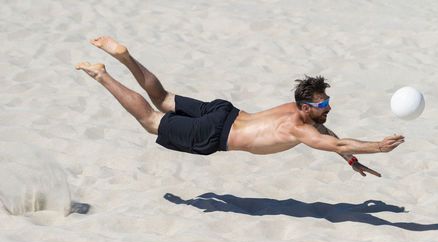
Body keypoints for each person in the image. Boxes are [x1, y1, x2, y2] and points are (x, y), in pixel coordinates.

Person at [76, 37, 405, 177]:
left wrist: (351, 160)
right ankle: (102, 75)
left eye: (328, 102)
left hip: (225, 110)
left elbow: (330, 135)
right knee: (150, 119)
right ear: (305, 108)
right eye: (323, 105)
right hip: (214, 132)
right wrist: (378, 146)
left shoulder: (293, 111)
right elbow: (336, 141)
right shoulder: (298, 128)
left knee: (163, 98)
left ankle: (125, 56)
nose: (328, 109)